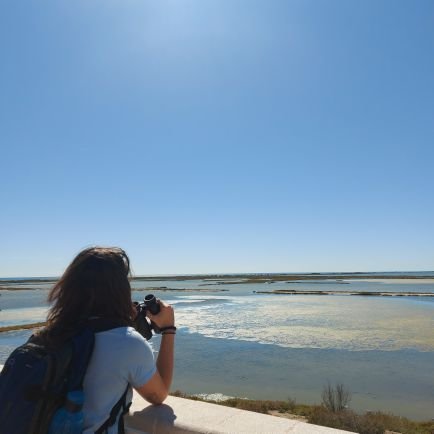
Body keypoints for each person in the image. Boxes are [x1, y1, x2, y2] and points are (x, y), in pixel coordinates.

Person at [36, 246, 175, 433]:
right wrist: (168, 330)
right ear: (120, 290)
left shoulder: (47, 336)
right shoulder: (128, 344)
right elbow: (158, 395)